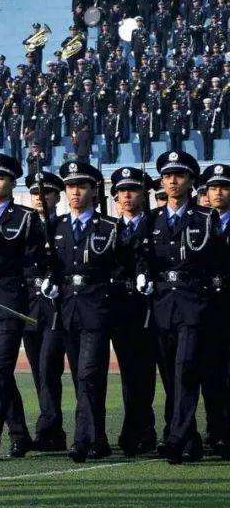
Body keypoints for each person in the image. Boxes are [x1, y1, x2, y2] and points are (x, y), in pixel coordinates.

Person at [136, 151, 221, 463]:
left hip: (193, 303)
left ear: (190, 182)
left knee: (185, 370)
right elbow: (141, 256)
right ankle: (190, 439)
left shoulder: (205, 219)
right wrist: (142, 274)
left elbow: (216, 261)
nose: (172, 181)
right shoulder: (152, 220)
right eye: (168, 176)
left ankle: (175, 438)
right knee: (170, 374)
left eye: (179, 176)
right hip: (161, 305)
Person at [0, 152, 48, 460]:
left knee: (2, 370)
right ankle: (19, 434)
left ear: (12, 182)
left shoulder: (26, 218)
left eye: (0, 177)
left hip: (9, 301)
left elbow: (34, 261)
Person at [44, 161, 121, 462]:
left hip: (96, 309)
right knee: (82, 376)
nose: (74, 192)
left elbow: (120, 267)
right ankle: (98, 438)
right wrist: (50, 283)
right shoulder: (57, 227)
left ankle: (82, 439)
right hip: (67, 310)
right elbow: (52, 266)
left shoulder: (109, 227)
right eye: (70, 186)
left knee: (89, 374)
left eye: (81, 186)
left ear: (94, 189)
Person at [109, 167, 159, 456]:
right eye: (122, 191)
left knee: (149, 372)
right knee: (130, 372)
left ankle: (148, 429)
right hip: (120, 308)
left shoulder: (153, 225)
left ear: (144, 194)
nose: (127, 196)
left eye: (134, 190)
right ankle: (135, 429)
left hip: (151, 306)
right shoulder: (111, 229)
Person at [23, 170, 69, 452]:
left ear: (56, 197)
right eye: (36, 194)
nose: (40, 198)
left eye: (47, 193)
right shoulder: (26, 225)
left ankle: (49, 427)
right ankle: (52, 428)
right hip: (30, 303)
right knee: (38, 371)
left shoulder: (63, 225)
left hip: (54, 303)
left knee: (48, 366)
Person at [199, 164, 229, 458]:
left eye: (224, 187)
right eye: (213, 187)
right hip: (209, 308)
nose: (218, 192)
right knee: (212, 372)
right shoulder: (201, 222)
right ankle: (217, 430)